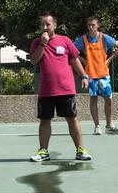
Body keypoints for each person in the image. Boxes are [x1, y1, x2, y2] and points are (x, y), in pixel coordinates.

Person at [29, 13, 92, 162]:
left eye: (48, 24)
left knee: (72, 119)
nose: (45, 27)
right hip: (46, 91)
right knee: (45, 121)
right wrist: (42, 44)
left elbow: (74, 59)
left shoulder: (65, 41)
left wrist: (83, 76)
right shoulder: (37, 42)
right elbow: (33, 60)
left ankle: (80, 151)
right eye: (42, 24)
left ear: (54, 25)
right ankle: (43, 152)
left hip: (66, 89)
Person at [74, 16, 118, 135]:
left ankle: (109, 124)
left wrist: (109, 60)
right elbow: (71, 50)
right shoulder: (83, 39)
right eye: (89, 25)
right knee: (93, 100)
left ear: (97, 25)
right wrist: (82, 60)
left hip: (103, 73)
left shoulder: (104, 37)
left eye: (93, 25)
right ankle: (97, 126)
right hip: (90, 74)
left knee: (108, 100)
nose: (91, 27)